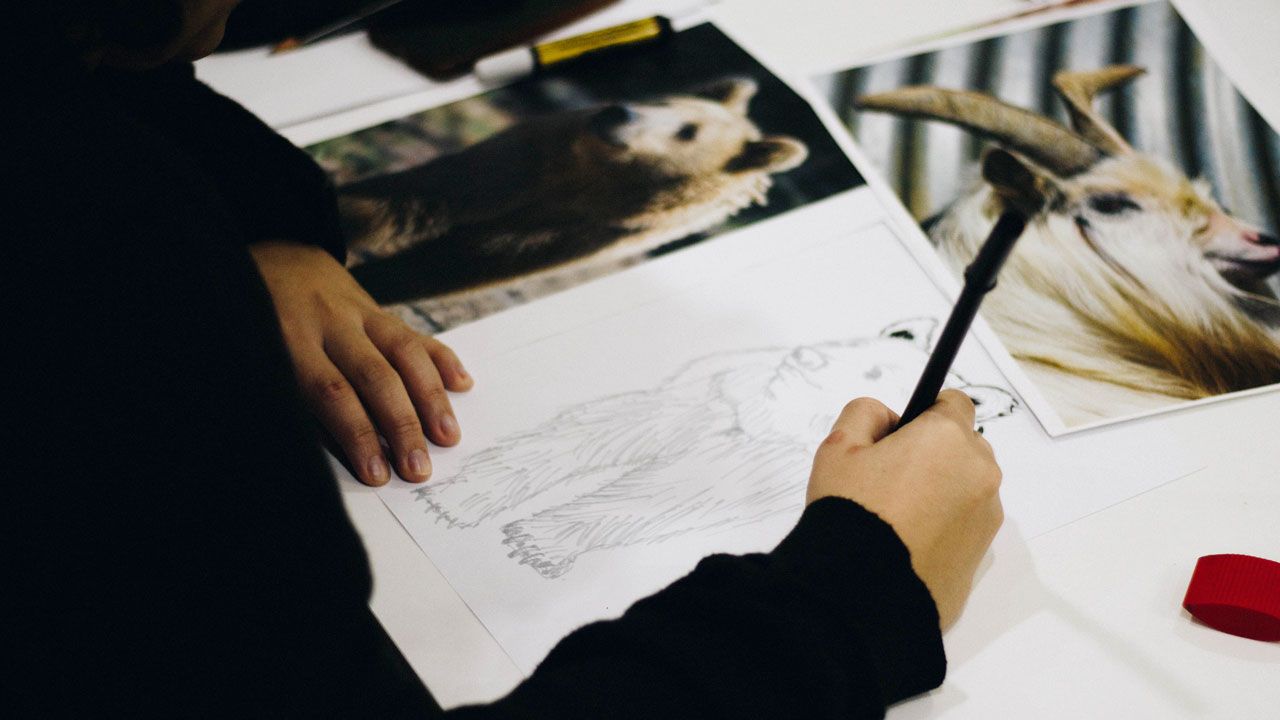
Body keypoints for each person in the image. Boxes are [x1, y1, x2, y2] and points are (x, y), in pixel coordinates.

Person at [6, 2, 1004, 718]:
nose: (233, 27)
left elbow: (107, 80)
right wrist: (844, 605)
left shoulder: (64, 105)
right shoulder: (91, 282)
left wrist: (258, 218)